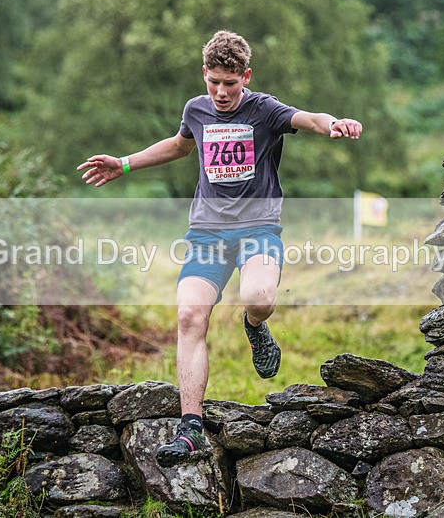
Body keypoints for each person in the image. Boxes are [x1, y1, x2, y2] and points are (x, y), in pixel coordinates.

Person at [77, 30, 362, 466]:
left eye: (231, 82)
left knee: (259, 300)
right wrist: (125, 163)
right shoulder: (195, 109)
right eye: (214, 82)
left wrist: (334, 123)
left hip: (258, 230)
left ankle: (254, 326)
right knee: (189, 317)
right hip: (207, 233)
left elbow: (308, 118)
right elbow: (178, 145)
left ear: (245, 76)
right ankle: (190, 426)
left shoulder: (263, 109)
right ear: (204, 76)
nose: (222, 92)